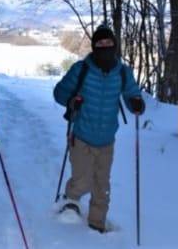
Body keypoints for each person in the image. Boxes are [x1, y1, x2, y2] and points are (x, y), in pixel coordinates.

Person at [53, 24, 145, 233]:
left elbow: (132, 94)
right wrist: (71, 101)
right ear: (94, 46)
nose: (105, 46)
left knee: (102, 185)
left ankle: (97, 224)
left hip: (107, 138)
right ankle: (71, 202)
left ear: (115, 45)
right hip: (82, 134)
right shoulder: (81, 69)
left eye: (109, 43)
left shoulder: (123, 72)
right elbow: (59, 93)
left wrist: (137, 103)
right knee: (82, 179)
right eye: (100, 43)